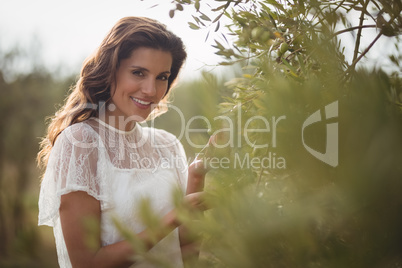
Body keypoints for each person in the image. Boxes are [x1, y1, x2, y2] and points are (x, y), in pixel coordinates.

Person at [37, 17, 208, 268]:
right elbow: (87, 263)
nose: (151, 90)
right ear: (110, 70)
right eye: (138, 73)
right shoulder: (80, 142)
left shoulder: (167, 144)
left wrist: (196, 177)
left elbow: (186, 252)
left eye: (162, 77)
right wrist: (174, 217)